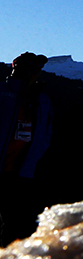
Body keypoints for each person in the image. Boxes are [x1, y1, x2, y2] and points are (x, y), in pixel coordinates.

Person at [0, 53, 54, 242]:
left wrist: (35, 160)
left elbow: (46, 133)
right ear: (16, 67)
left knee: (15, 225)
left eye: (37, 69)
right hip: (3, 166)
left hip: (21, 171)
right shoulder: (2, 91)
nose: (34, 73)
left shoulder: (42, 100)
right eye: (30, 68)